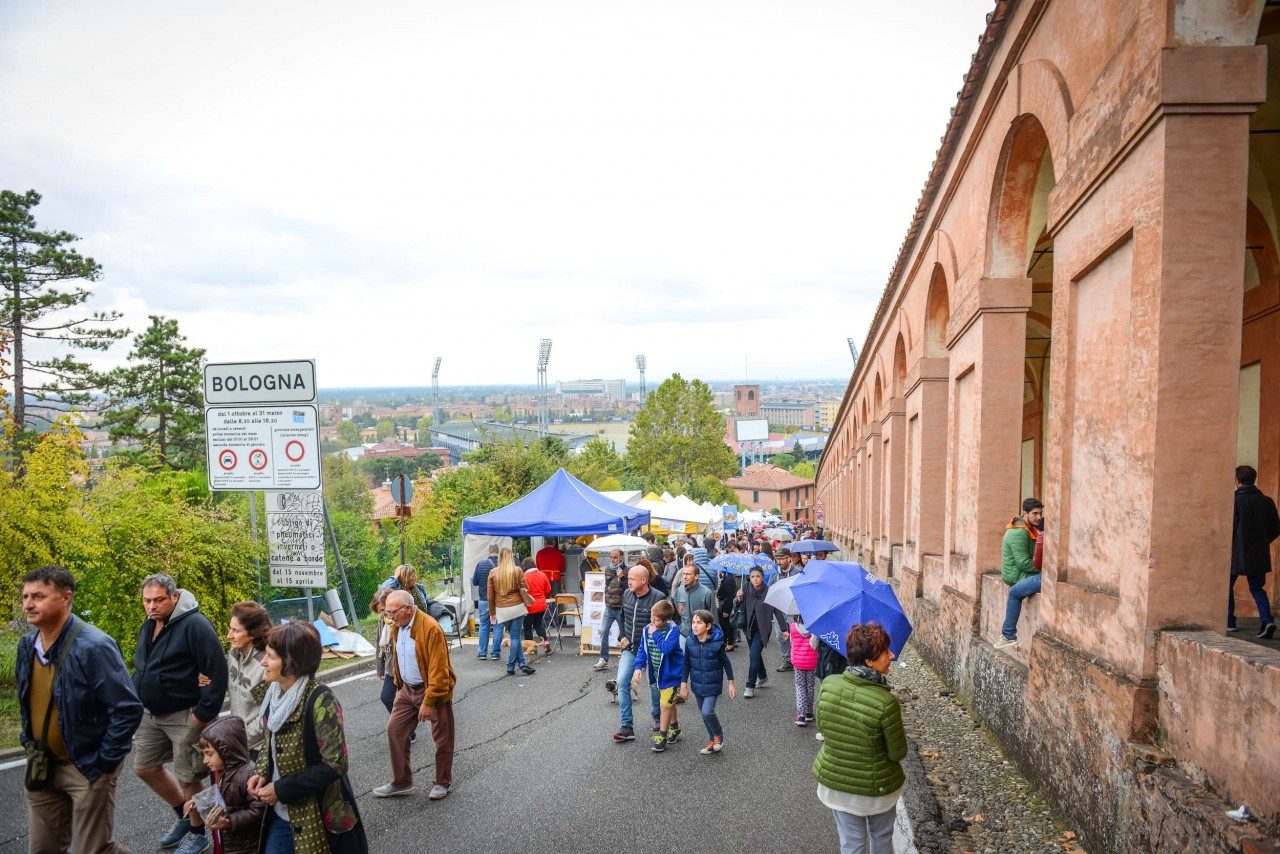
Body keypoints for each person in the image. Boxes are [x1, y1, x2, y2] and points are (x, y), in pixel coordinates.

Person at [18, 566, 142, 854]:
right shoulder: (27, 645)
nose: (27, 604)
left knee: (93, 849)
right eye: (25, 596)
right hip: (41, 764)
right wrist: (28, 741)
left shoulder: (94, 646)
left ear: (65, 598)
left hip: (86, 766)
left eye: (38, 596)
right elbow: (27, 701)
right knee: (42, 849)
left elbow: (127, 709)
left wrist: (104, 764)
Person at [247, 620, 367, 854]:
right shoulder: (273, 694)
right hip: (281, 813)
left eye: (270, 657)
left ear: (291, 664)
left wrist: (282, 789)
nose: (263, 662)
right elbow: (270, 740)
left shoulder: (320, 699)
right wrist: (261, 771)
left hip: (317, 814)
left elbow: (335, 764)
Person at [132, 574, 228, 854]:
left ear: (174, 597)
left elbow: (216, 670)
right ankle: (185, 817)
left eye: (159, 600)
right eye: (147, 601)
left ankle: (199, 833)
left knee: (189, 775)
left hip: (186, 714)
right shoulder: (149, 625)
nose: (152, 606)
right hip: (152, 714)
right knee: (145, 767)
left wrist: (202, 714)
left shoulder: (195, 625)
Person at [812, 623, 906, 854]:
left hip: (837, 783)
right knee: (882, 839)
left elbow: (823, 727)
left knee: (851, 844)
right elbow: (897, 753)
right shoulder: (886, 702)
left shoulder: (830, 685)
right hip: (877, 790)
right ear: (869, 662)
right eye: (885, 652)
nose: (892, 656)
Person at [376, 589, 458, 801]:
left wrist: (429, 701)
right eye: (387, 613)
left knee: (443, 738)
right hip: (406, 690)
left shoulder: (430, 628)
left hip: (432, 690)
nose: (390, 617)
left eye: (392, 612)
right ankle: (401, 782)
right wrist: (398, 684)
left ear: (408, 608)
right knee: (395, 730)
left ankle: (442, 782)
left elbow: (439, 672)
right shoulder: (397, 626)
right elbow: (398, 658)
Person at [186, 716, 265, 854]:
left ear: (227, 750)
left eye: (209, 754)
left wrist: (229, 821)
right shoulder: (226, 771)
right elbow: (224, 795)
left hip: (247, 846)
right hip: (233, 843)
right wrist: (199, 802)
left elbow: (259, 811)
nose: (205, 760)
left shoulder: (249, 775)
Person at [611, 565, 667, 742]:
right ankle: (627, 727)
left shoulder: (658, 597)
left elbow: (667, 623)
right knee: (621, 682)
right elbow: (621, 616)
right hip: (631, 648)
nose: (629, 581)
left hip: (652, 648)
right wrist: (622, 635)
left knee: (654, 684)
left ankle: (658, 718)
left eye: (632, 578)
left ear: (644, 580)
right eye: (628, 578)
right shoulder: (627, 594)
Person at [1229, 465, 1280, 639]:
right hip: (1258, 552)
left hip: (1235, 552)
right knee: (1257, 588)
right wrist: (1263, 542)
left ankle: (1229, 621)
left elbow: (1228, 528)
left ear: (1237, 481)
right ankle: (1267, 620)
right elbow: (1275, 528)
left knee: (1227, 587)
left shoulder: (1233, 501)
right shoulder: (1267, 501)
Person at [631, 599, 685, 752]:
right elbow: (642, 649)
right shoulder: (647, 628)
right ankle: (674, 728)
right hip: (656, 673)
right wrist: (638, 667)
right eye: (651, 618)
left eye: (656, 620)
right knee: (670, 702)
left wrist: (655, 634)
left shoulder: (673, 630)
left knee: (664, 705)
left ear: (666, 620)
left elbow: (666, 649)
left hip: (671, 675)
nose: (652, 622)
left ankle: (662, 736)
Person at [681, 609, 736, 755]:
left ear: (708, 626)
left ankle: (718, 735)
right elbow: (686, 663)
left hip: (713, 684)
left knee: (707, 712)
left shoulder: (716, 643)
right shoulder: (689, 641)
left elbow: (726, 662)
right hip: (697, 685)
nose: (695, 625)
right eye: (693, 622)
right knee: (703, 714)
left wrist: (731, 682)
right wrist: (683, 684)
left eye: (699, 622)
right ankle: (712, 740)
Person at [994, 498, 1044, 650]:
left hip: (1024, 572)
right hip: (1016, 574)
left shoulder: (1031, 530)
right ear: (1025, 513)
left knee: (1015, 593)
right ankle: (1008, 636)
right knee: (1015, 592)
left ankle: (1008, 636)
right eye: (1034, 513)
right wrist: (1045, 570)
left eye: (1040, 514)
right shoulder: (1019, 532)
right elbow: (1023, 563)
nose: (1038, 517)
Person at [225, 601, 271, 756]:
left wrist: (242, 740)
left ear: (253, 634)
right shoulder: (234, 653)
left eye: (236, 631)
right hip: (236, 738)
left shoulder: (265, 666)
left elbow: (267, 716)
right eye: (230, 629)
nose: (229, 636)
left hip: (257, 748)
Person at [487, 547, 535, 676]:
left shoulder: (493, 573)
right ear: (511, 557)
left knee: (514, 638)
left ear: (499, 557)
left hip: (502, 610)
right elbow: (526, 588)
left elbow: (490, 597)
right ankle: (510, 666)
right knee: (515, 638)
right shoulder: (517, 570)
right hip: (517, 608)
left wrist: (492, 613)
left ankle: (523, 664)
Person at [737, 566, 781, 697]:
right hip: (749, 628)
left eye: (758, 577)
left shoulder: (769, 591)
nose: (755, 579)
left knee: (753, 656)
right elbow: (738, 605)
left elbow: (777, 610)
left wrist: (784, 629)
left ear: (762, 578)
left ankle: (749, 686)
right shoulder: (745, 587)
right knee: (755, 655)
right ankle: (762, 676)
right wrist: (738, 598)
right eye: (752, 577)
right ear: (749, 578)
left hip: (763, 629)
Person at [595, 549, 627, 672]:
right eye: (611, 557)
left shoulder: (626, 570)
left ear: (621, 557)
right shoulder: (608, 569)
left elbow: (628, 589)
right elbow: (606, 586)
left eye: (615, 557)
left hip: (620, 608)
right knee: (603, 631)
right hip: (609, 606)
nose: (612, 560)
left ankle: (624, 659)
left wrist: (622, 577)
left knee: (624, 635)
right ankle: (603, 658)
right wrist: (606, 596)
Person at [785, 616, 819, 726]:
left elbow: (792, 642)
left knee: (800, 686)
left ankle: (801, 715)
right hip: (812, 661)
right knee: (810, 686)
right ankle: (809, 713)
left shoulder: (792, 627)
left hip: (798, 662)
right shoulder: (815, 628)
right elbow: (816, 644)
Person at [472, 544, 500, 661]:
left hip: (484, 600)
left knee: (484, 626)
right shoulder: (502, 565)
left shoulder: (481, 564)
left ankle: (482, 653)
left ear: (489, 551)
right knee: (498, 626)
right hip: (499, 601)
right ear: (498, 552)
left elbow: (474, 582)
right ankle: (495, 653)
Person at [672, 562, 714, 636]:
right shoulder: (679, 591)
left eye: (688, 574)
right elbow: (676, 613)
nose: (684, 577)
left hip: (701, 637)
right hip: (683, 634)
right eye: (683, 574)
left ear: (696, 576)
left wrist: (710, 636)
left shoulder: (706, 593)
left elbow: (713, 618)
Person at [523, 556, 553, 654]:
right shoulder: (542, 575)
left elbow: (522, 592)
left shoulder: (524, 577)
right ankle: (545, 643)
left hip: (530, 606)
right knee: (538, 625)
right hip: (541, 605)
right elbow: (548, 590)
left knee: (527, 627)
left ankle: (530, 648)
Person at [773, 547, 797, 672]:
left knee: (794, 635)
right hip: (778, 608)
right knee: (780, 635)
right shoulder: (775, 574)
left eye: (782, 558)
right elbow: (770, 588)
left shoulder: (797, 572)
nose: (779, 561)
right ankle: (786, 660)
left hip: (794, 609)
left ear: (789, 558)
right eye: (778, 558)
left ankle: (796, 659)